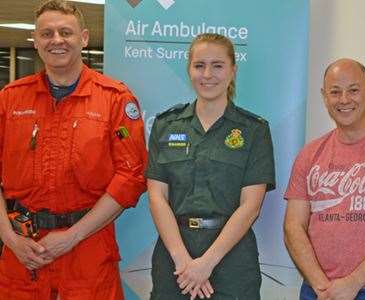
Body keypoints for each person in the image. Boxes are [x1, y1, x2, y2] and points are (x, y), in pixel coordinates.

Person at [0, 0, 147, 299]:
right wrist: (9, 239)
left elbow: (131, 177)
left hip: (88, 250)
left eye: (65, 32)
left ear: (83, 38)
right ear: (36, 41)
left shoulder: (114, 99)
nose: (56, 40)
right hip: (22, 250)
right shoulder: (10, 100)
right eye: (47, 33)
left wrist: (72, 237)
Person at [146, 33, 276, 300]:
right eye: (199, 65)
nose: (207, 74)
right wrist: (183, 262)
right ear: (189, 69)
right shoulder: (165, 125)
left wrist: (206, 263)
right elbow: (157, 197)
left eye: (217, 65)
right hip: (174, 258)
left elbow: (251, 206)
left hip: (232, 261)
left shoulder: (254, 130)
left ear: (233, 71)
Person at [284, 58, 365, 299]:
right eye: (335, 92)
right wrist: (321, 285)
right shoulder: (309, 154)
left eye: (354, 90)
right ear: (325, 97)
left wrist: (353, 283)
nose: (344, 99)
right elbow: (293, 227)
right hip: (317, 290)